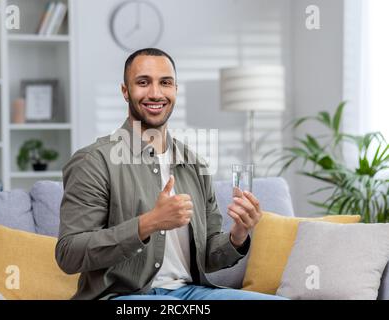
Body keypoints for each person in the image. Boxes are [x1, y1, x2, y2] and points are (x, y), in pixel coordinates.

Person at [56, 48, 286, 300]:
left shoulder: (195, 165)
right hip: (123, 296)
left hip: (192, 293)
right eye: (143, 82)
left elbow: (209, 255)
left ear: (175, 90)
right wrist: (148, 223)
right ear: (125, 91)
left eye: (165, 83)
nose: (155, 93)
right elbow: (69, 255)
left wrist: (238, 235)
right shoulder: (94, 161)